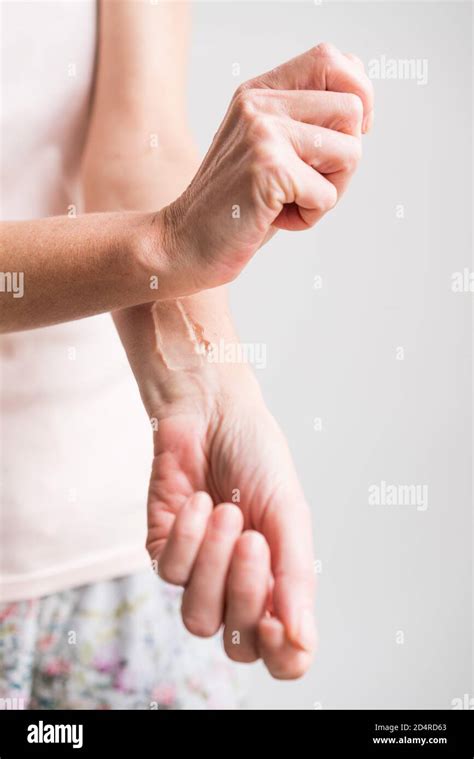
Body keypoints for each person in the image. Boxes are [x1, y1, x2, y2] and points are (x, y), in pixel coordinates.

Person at [0, 0, 374, 708]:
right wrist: (161, 243)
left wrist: (208, 396)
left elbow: (137, 139)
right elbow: (162, 234)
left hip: (118, 556)